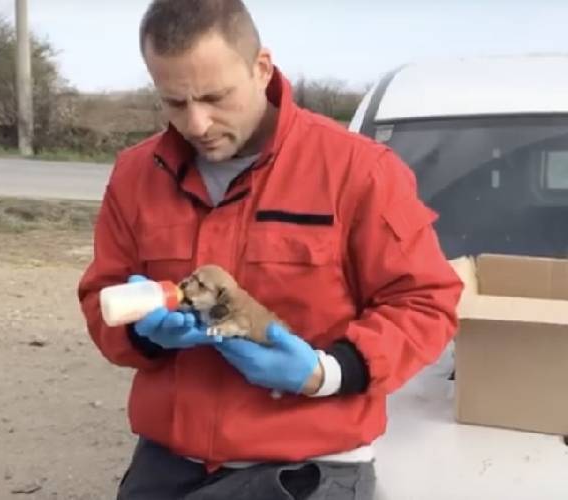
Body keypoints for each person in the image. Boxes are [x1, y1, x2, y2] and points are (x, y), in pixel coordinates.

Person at [76, 0, 463, 498]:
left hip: (307, 470)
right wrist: (146, 337)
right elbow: (99, 300)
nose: (197, 123)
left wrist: (328, 372)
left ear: (262, 69)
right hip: (167, 468)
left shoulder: (357, 171)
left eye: (216, 96)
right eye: (175, 102)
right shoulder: (136, 175)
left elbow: (425, 303)